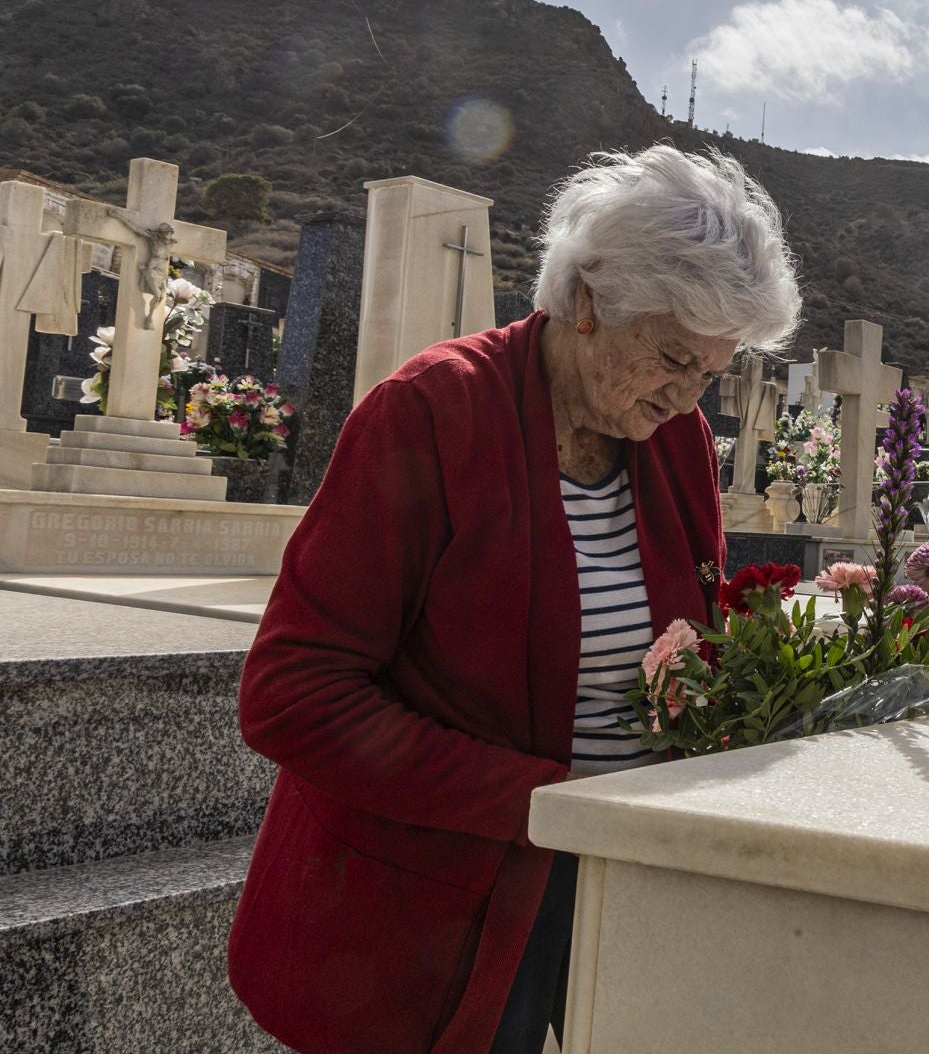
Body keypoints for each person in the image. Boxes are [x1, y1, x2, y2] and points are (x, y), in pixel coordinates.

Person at [227, 147, 802, 1054]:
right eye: (671, 359)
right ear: (586, 300)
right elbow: (292, 694)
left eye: (711, 373)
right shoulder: (429, 415)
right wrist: (550, 799)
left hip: (604, 893)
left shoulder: (678, 443)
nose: (689, 397)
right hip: (415, 926)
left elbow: (685, 652)